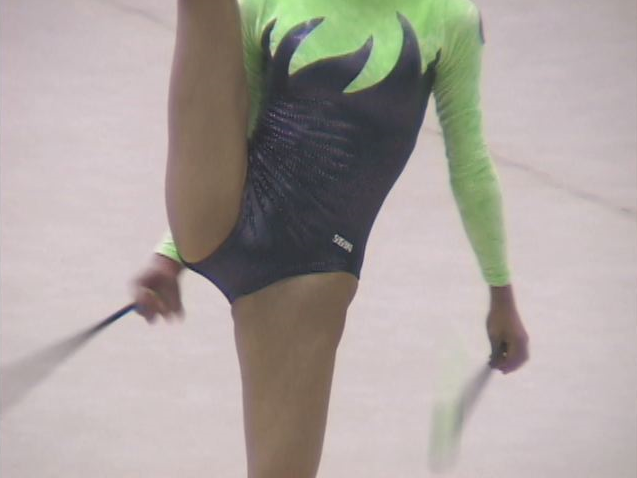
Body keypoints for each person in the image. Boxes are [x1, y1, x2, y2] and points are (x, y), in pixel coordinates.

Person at [131, 0, 530, 476]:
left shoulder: (446, 17)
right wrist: (170, 255)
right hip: (219, 216)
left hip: (307, 273)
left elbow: (470, 165)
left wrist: (501, 293)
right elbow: (234, 119)